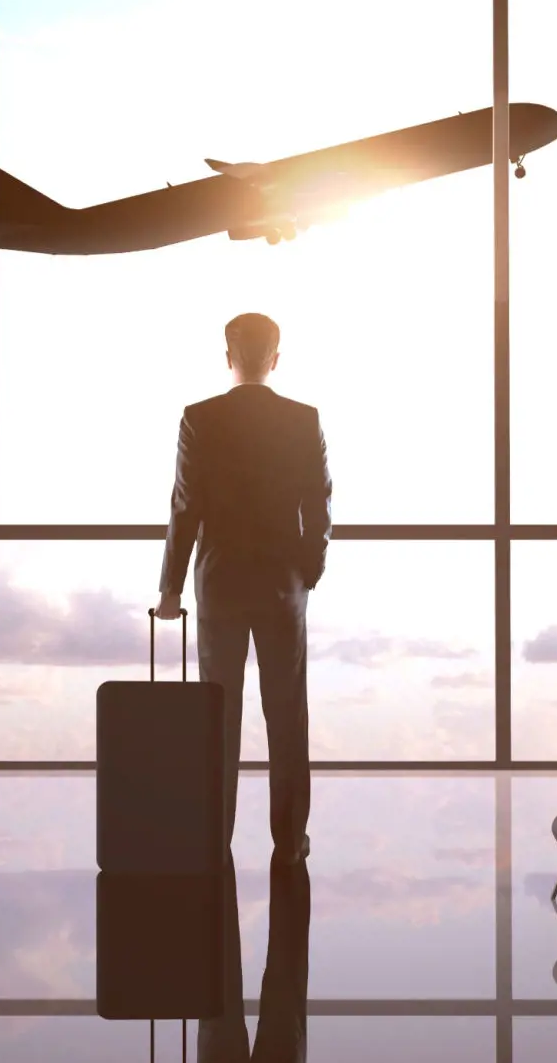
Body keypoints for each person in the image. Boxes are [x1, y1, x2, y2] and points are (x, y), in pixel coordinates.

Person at [154, 312, 331, 863]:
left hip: (221, 582)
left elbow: (186, 508)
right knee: (286, 714)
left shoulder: (199, 420)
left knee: (218, 715)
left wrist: (172, 589)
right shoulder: (303, 419)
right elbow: (318, 504)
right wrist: (308, 571)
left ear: (227, 356)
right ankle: (289, 840)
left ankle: (215, 834)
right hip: (282, 584)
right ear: (274, 359)